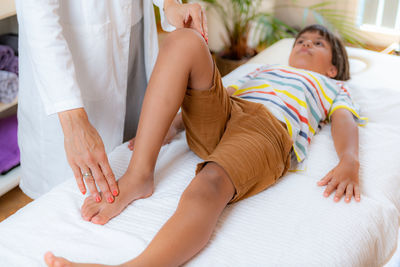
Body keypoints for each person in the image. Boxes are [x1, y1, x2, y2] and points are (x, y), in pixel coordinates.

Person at [44, 24, 367, 266]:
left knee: (208, 185)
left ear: (333, 67)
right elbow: (215, 93)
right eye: (301, 41)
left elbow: (344, 122)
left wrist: (349, 161)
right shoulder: (263, 69)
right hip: (229, 111)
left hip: (268, 128)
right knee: (185, 40)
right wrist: (170, 124)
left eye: (317, 43)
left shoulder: (331, 85)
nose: (306, 44)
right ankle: (139, 174)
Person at [16, 0, 208, 202]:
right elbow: (38, 19)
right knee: (65, 202)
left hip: (133, 35)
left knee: (131, 154)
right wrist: (73, 120)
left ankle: (138, 175)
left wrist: (170, 5)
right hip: (74, 66)